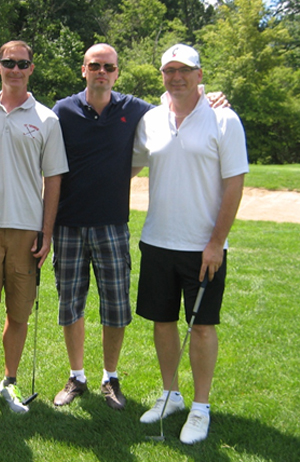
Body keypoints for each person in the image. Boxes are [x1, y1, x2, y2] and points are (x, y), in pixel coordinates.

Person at [51, 43, 228, 411]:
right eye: (95, 65)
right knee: (71, 305)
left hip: (113, 224)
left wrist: (208, 96)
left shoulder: (135, 111)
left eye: (109, 67)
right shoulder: (63, 111)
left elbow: (177, 104)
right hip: (67, 224)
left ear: (117, 72)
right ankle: (77, 375)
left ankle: (110, 377)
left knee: (115, 306)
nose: (102, 71)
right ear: (83, 69)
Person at [132, 44, 248, 443]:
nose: (176, 77)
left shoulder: (224, 119)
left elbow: (235, 183)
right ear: (162, 76)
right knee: (162, 323)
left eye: (184, 70)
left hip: (204, 247)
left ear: (200, 75)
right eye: (169, 71)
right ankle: (171, 395)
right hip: (158, 240)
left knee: (201, 327)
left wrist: (217, 242)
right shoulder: (150, 119)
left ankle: (200, 406)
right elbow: (128, 164)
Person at [0, 40, 68, 413]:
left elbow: (53, 178)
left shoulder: (46, 118)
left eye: (22, 64)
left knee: (19, 313)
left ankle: (10, 382)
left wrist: (47, 230)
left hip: (27, 229)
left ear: (31, 69)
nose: (15, 69)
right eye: (9, 62)